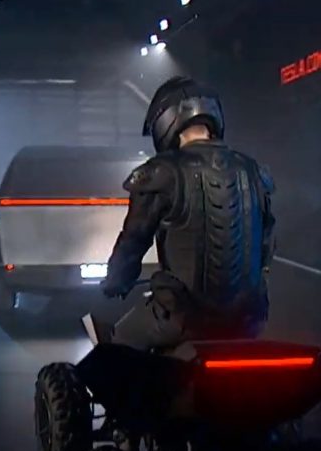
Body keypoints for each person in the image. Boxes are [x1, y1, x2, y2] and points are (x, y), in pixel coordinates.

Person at [101, 76, 276, 351]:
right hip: (249, 319)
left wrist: (116, 282)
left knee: (118, 344)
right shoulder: (252, 170)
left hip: (180, 319)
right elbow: (267, 243)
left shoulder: (162, 171)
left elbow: (134, 240)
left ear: (166, 119)